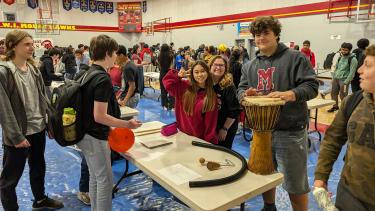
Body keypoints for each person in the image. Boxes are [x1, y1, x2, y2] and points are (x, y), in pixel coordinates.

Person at [237, 16, 318, 211]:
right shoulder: (249, 65)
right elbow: (240, 90)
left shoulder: (295, 58)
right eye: (257, 34)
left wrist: (291, 94)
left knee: (295, 183)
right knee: (265, 172)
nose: (260, 38)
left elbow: (312, 85)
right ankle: (269, 206)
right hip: (261, 131)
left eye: (265, 33)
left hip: (290, 130)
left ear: (276, 35)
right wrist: (245, 95)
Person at [0, 30, 64, 211]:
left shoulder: (34, 69)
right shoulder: (4, 72)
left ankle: (40, 199)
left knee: (38, 167)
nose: (31, 47)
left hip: (38, 129)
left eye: (32, 44)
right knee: (10, 178)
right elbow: (3, 109)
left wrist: (49, 124)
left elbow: (43, 98)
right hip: (19, 134)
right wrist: (15, 136)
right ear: (12, 46)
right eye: (26, 44)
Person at [78, 34, 142, 211]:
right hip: (95, 136)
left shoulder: (87, 73)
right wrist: (127, 124)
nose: (116, 56)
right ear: (107, 53)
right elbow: (100, 116)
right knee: (106, 181)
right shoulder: (102, 78)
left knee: (95, 177)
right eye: (114, 52)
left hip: (84, 134)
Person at [314, 44, 375, 211]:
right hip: (349, 194)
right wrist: (320, 177)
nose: (360, 70)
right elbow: (333, 139)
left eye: (368, 65)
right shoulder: (354, 102)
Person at [163, 60, 218, 144]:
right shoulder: (183, 87)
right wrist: (178, 75)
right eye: (196, 72)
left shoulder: (211, 96)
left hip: (198, 141)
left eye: (202, 71)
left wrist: (209, 144)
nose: (200, 75)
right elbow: (167, 82)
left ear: (207, 72)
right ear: (192, 74)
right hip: (182, 137)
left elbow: (210, 126)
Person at [209, 55, 241, 149]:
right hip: (211, 125)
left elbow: (234, 111)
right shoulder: (206, 84)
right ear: (210, 66)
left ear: (225, 68)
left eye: (221, 65)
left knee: (223, 151)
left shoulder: (228, 86)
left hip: (225, 125)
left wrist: (224, 129)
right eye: (216, 64)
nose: (218, 67)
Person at [328, 42, 358, 112]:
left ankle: (344, 109)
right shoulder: (340, 58)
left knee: (343, 95)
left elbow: (352, 72)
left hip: (344, 80)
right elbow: (336, 68)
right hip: (336, 79)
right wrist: (333, 78)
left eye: (345, 50)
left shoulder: (353, 59)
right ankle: (335, 106)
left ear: (349, 50)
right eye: (342, 49)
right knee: (333, 93)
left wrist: (346, 82)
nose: (343, 51)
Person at [158, 43, 175, 110]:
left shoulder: (159, 56)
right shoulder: (171, 56)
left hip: (162, 73)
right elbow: (172, 66)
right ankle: (172, 105)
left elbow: (159, 66)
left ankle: (164, 105)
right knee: (171, 90)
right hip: (169, 73)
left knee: (163, 90)